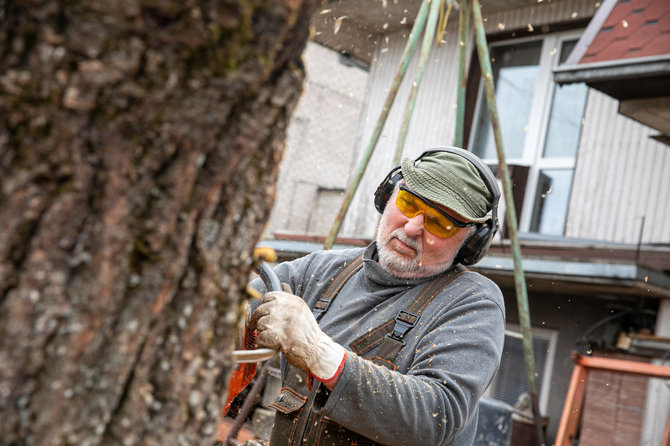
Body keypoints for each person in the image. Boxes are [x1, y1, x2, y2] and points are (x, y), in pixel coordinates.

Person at [248, 147, 506, 445]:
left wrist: (318, 352)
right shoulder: (321, 271)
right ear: (388, 194)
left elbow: (437, 415)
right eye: (409, 203)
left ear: (471, 241)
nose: (412, 227)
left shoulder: (473, 303)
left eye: (440, 223)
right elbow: (232, 306)